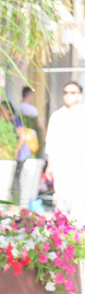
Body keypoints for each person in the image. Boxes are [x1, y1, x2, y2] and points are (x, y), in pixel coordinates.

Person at [45, 81, 85, 226]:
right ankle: (61, 232)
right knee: (61, 197)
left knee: (79, 198)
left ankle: (79, 232)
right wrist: (50, 164)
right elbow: (50, 141)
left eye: (72, 93)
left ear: (79, 95)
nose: (68, 96)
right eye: (66, 92)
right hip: (62, 163)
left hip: (80, 164)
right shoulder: (57, 116)